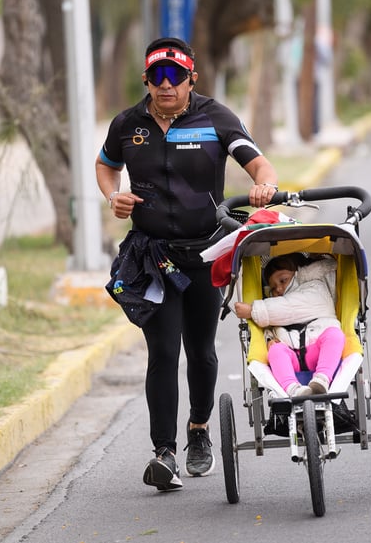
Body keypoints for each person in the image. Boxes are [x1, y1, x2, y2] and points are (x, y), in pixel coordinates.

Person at [95, 37, 279, 492]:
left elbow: (260, 166)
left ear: (191, 79)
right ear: (146, 80)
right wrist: (112, 195)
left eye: (175, 77)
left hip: (204, 255)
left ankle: (199, 431)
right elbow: (105, 165)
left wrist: (264, 186)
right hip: (153, 255)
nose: (166, 86)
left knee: (199, 350)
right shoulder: (128, 124)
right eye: (157, 77)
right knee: (162, 351)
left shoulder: (215, 118)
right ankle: (164, 453)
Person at [233, 253, 344, 397]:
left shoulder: (315, 287)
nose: (278, 289)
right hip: (292, 356)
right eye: (273, 288)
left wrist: (253, 310)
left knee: (334, 335)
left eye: (283, 280)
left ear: (300, 274)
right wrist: (269, 340)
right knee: (276, 350)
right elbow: (269, 329)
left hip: (317, 351)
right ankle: (293, 388)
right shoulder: (274, 306)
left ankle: (321, 379)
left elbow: (288, 308)